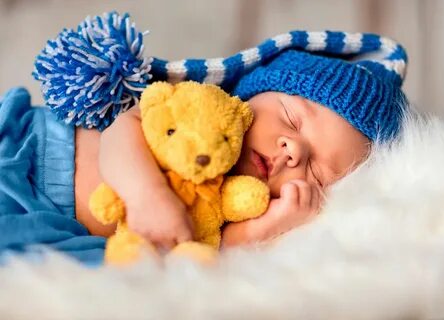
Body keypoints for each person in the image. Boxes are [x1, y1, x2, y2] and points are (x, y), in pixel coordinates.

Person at [0, 30, 408, 265]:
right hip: (33, 152)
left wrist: (267, 227)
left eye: (318, 171)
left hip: (60, 228)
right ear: (254, 91)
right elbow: (119, 133)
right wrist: (148, 196)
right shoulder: (195, 109)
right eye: (293, 119)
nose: (292, 151)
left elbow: (210, 249)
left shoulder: (244, 204)